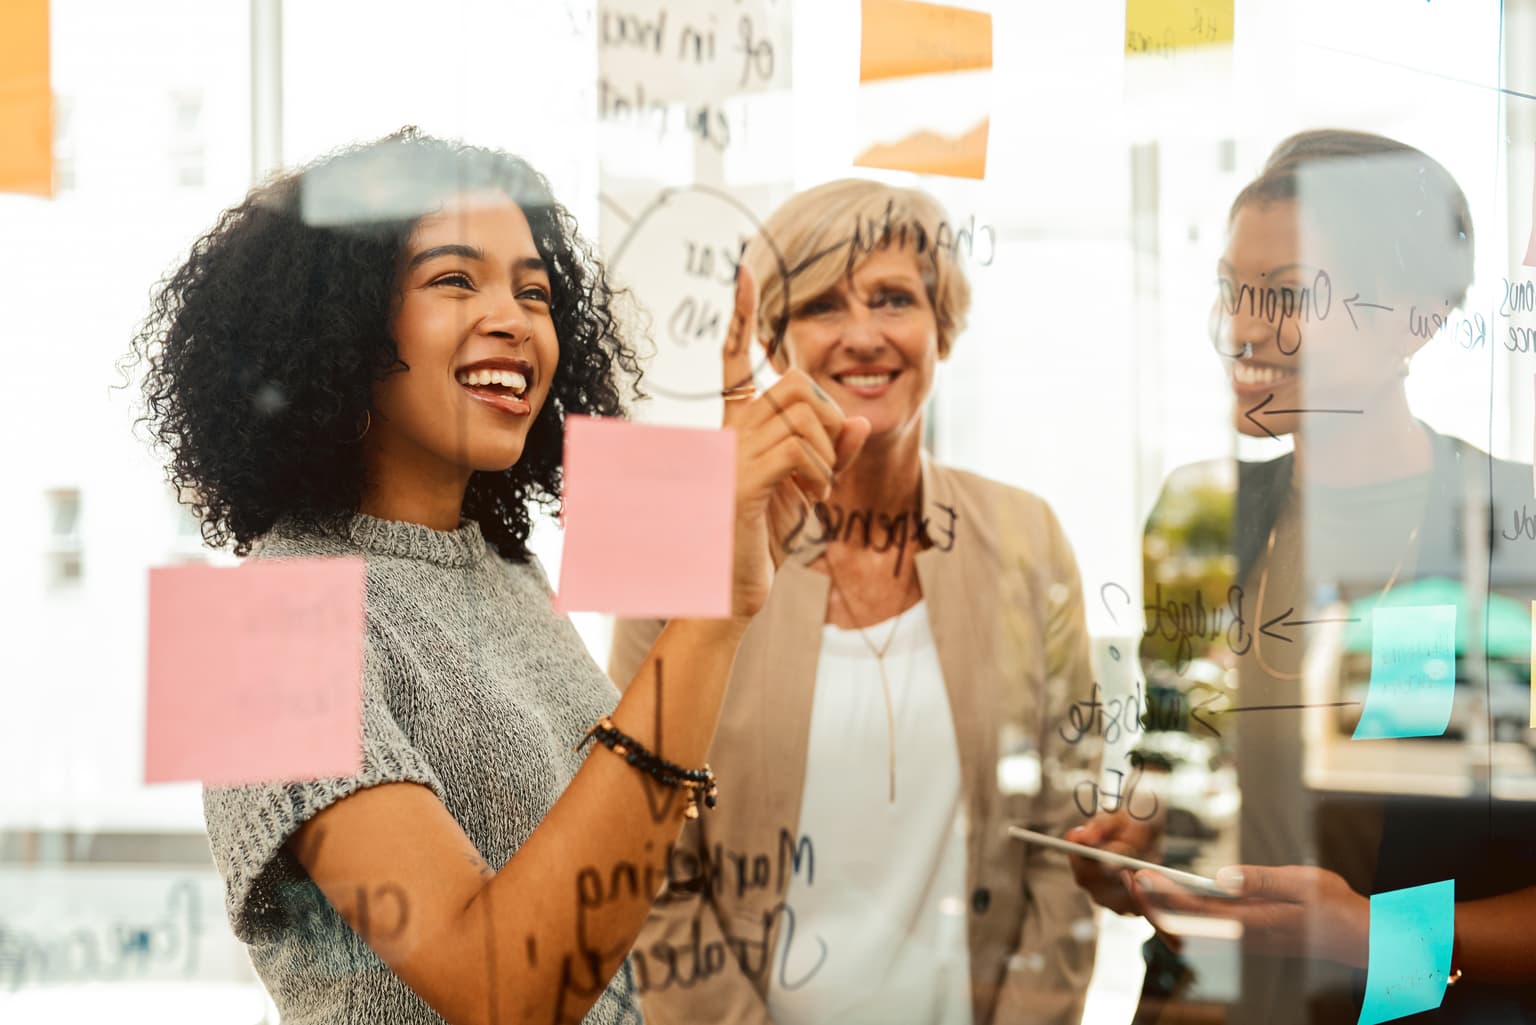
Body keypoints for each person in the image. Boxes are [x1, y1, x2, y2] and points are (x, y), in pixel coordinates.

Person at [128, 129, 869, 1025]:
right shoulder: (243, 632)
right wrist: (702, 624)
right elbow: (503, 990)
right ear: (340, 324)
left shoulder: (508, 571)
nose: (515, 319)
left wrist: (732, 598)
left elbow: (604, 893)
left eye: (535, 292)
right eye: (453, 279)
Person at [608, 178, 1102, 1025]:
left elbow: (1066, 843)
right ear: (774, 340)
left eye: (893, 298)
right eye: (823, 304)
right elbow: (649, 869)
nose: (864, 334)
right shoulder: (684, 544)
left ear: (942, 325)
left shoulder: (1029, 537)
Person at [1069, 130, 1536, 1023]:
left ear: (1417, 317)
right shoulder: (1198, 515)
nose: (1244, 328)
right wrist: (1132, 842)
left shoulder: (1511, 530)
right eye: (1231, 293)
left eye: (1286, 295)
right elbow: (1170, 769)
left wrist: (1369, 935)